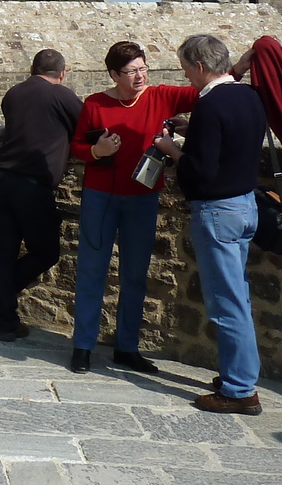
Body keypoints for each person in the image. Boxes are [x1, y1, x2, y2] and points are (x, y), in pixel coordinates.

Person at [66, 40, 197, 375]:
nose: (140, 76)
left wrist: (241, 67)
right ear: (114, 74)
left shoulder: (160, 96)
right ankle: (83, 346)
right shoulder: (95, 104)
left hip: (142, 197)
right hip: (100, 197)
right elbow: (78, 146)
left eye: (143, 68)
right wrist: (98, 151)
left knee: (135, 275)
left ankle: (127, 347)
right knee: (92, 271)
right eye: (132, 71)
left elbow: (206, 91)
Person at [154, 35, 267, 415]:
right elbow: (229, 142)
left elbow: (200, 170)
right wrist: (192, 130)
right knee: (240, 296)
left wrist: (170, 148)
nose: (186, 77)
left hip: (218, 211)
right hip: (247, 206)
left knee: (226, 302)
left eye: (186, 69)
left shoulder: (210, 105)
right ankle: (239, 374)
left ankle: (239, 389)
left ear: (200, 67)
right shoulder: (249, 97)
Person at [0, 49, 83, 342]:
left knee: (3, 252)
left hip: (2, 180)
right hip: (33, 185)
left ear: (31, 68)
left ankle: (7, 321)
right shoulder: (61, 95)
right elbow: (88, 128)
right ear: (63, 73)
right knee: (46, 251)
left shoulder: (12, 94)